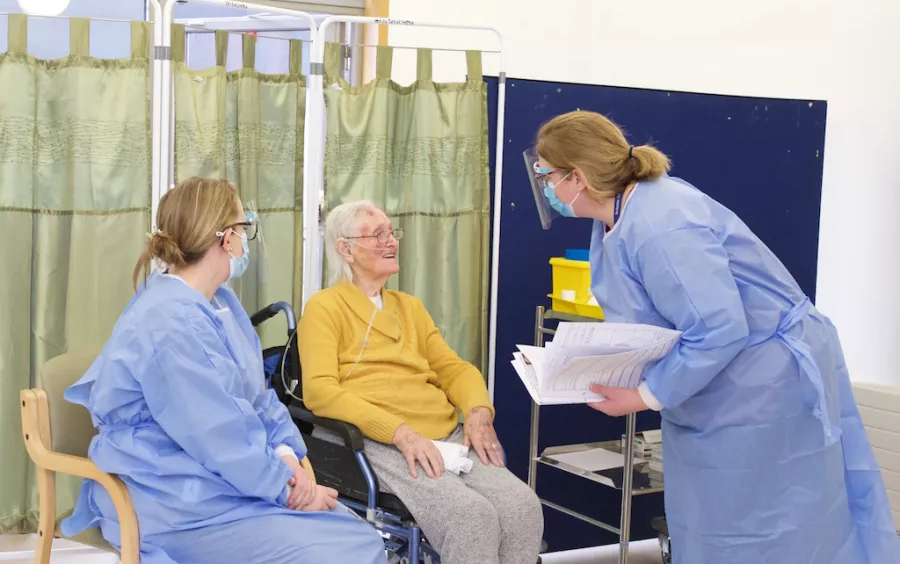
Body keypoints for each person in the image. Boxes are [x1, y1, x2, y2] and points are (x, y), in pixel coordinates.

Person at [529, 110, 900, 563]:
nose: (546, 187)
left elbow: (722, 328)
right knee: (707, 522)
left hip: (762, 387)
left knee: (772, 528)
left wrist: (644, 395)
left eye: (547, 175)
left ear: (578, 177)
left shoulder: (661, 224)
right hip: (715, 388)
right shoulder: (619, 215)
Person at [61, 177, 387, 564]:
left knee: (355, 536)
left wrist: (286, 454)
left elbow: (258, 397)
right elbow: (218, 436)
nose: (246, 238)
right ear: (225, 239)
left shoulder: (221, 304)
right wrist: (287, 489)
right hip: (168, 497)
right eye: (243, 226)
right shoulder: (168, 322)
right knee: (349, 550)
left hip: (216, 480)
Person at [297, 201, 544, 564]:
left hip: (443, 433)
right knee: (470, 517)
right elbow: (320, 391)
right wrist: (399, 432)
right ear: (345, 249)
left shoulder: (409, 307)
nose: (390, 241)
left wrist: (478, 410)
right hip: (377, 439)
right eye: (376, 234)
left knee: (522, 507)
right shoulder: (324, 307)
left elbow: (453, 369)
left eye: (391, 232)